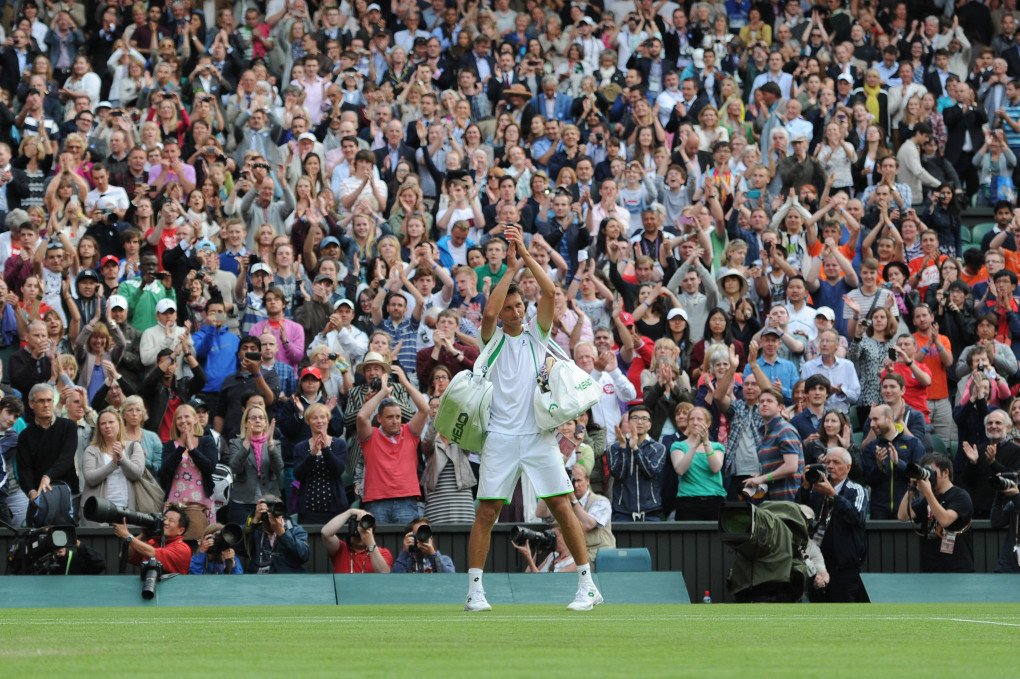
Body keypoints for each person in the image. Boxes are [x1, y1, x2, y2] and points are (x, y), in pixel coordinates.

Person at [465, 225, 603, 613]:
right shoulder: (490, 338)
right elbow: (489, 311)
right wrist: (508, 270)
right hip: (500, 437)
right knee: (487, 512)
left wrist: (524, 255)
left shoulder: (537, 335)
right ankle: (475, 591)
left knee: (562, 505)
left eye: (518, 306)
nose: (515, 311)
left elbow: (551, 292)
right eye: (510, 307)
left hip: (538, 436)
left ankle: (586, 584)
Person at [355, 363, 429, 524]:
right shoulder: (371, 435)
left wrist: (405, 382)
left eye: (398, 416)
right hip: (376, 502)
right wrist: (382, 392)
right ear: (379, 419)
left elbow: (424, 409)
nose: (395, 421)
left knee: (409, 546)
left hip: (406, 500)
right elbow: (361, 417)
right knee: (379, 548)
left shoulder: (409, 432)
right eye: (390, 417)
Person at [799, 448, 869, 602]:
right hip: (817, 563)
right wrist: (805, 489)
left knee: (843, 612)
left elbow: (856, 517)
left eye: (836, 462)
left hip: (843, 565)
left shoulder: (856, 490)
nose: (830, 466)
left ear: (848, 467)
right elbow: (800, 514)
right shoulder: (816, 490)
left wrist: (833, 495)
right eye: (827, 462)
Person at [898, 453, 975, 573]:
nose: (928, 478)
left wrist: (927, 492)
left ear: (945, 473)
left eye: (932, 473)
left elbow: (945, 520)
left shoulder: (961, 496)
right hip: (930, 568)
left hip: (957, 570)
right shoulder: (928, 499)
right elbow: (902, 516)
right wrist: (912, 488)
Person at [80, 407, 147, 526]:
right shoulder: (92, 450)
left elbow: (137, 474)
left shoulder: (133, 447)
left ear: (119, 423)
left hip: (127, 509)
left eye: (111, 422)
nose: (107, 426)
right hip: (99, 511)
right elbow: (90, 478)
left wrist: (122, 459)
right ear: (99, 428)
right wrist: (113, 464)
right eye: (103, 423)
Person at [16, 383, 80, 507]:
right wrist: (31, 491)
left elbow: (66, 458)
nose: (46, 405)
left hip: (69, 495)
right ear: (31, 404)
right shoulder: (25, 435)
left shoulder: (69, 427)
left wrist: (47, 476)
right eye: (41, 401)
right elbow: (24, 469)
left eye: (49, 400)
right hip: (39, 497)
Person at [862, 404, 927, 519]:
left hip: (908, 508)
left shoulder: (913, 443)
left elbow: (921, 476)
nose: (872, 424)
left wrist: (899, 463)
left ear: (889, 418)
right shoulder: (871, 447)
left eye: (876, 419)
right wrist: (879, 467)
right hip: (879, 510)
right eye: (870, 420)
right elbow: (868, 480)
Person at [607, 404, 667, 521]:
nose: (639, 422)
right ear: (628, 423)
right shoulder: (614, 448)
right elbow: (618, 474)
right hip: (622, 512)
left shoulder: (658, 448)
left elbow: (650, 472)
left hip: (651, 512)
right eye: (635, 418)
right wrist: (624, 448)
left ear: (649, 425)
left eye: (644, 419)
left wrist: (635, 449)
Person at [226, 404, 284, 525]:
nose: (257, 420)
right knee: (244, 538)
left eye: (261, 418)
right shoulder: (236, 443)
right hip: (242, 503)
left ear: (265, 423)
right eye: (253, 418)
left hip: (269, 501)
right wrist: (246, 443)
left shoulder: (275, 443)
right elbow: (234, 468)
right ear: (246, 423)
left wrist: (271, 445)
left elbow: (278, 468)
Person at [292, 402, 348, 525]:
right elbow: (298, 475)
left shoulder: (339, 444)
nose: (319, 421)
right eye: (314, 418)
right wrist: (312, 454)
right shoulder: (300, 447)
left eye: (322, 417)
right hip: (308, 509)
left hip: (335, 508)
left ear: (328, 419)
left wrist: (325, 450)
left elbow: (338, 470)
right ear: (308, 421)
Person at [669, 406, 726, 520]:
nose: (695, 423)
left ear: (708, 423)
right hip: (687, 501)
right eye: (691, 419)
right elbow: (680, 470)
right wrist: (695, 445)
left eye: (699, 419)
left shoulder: (717, 446)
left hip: (714, 500)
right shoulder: (678, 446)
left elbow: (715, 468)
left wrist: (705, 443)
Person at [112, 502, 193, 575]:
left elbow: (153, 554)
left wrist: (127, 536)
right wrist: (143, 534)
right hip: (147, 588)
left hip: (172, 590)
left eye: (171, 521)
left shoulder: (183, 548)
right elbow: (125, 555)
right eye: (164, 518)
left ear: (181, 530)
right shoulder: (153, 542)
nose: (165, 522)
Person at [245, 495, 310, 573]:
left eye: (276, 508)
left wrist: (283, 534)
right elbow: (243, 549)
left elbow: (304, 555)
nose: (271, 514)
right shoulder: (255, 529)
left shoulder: (294, 528)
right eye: (268, 508)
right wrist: (254, 521)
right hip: (260, 581)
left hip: (288, 580)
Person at [322, 507, 394, 574]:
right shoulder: (341, 549)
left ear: (372, 532)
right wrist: (350, 512)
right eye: (357, 525)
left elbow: (384, 573)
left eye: (365, 526)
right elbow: (325, 533)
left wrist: (370, 543)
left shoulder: (383, 553)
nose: (360, 529)